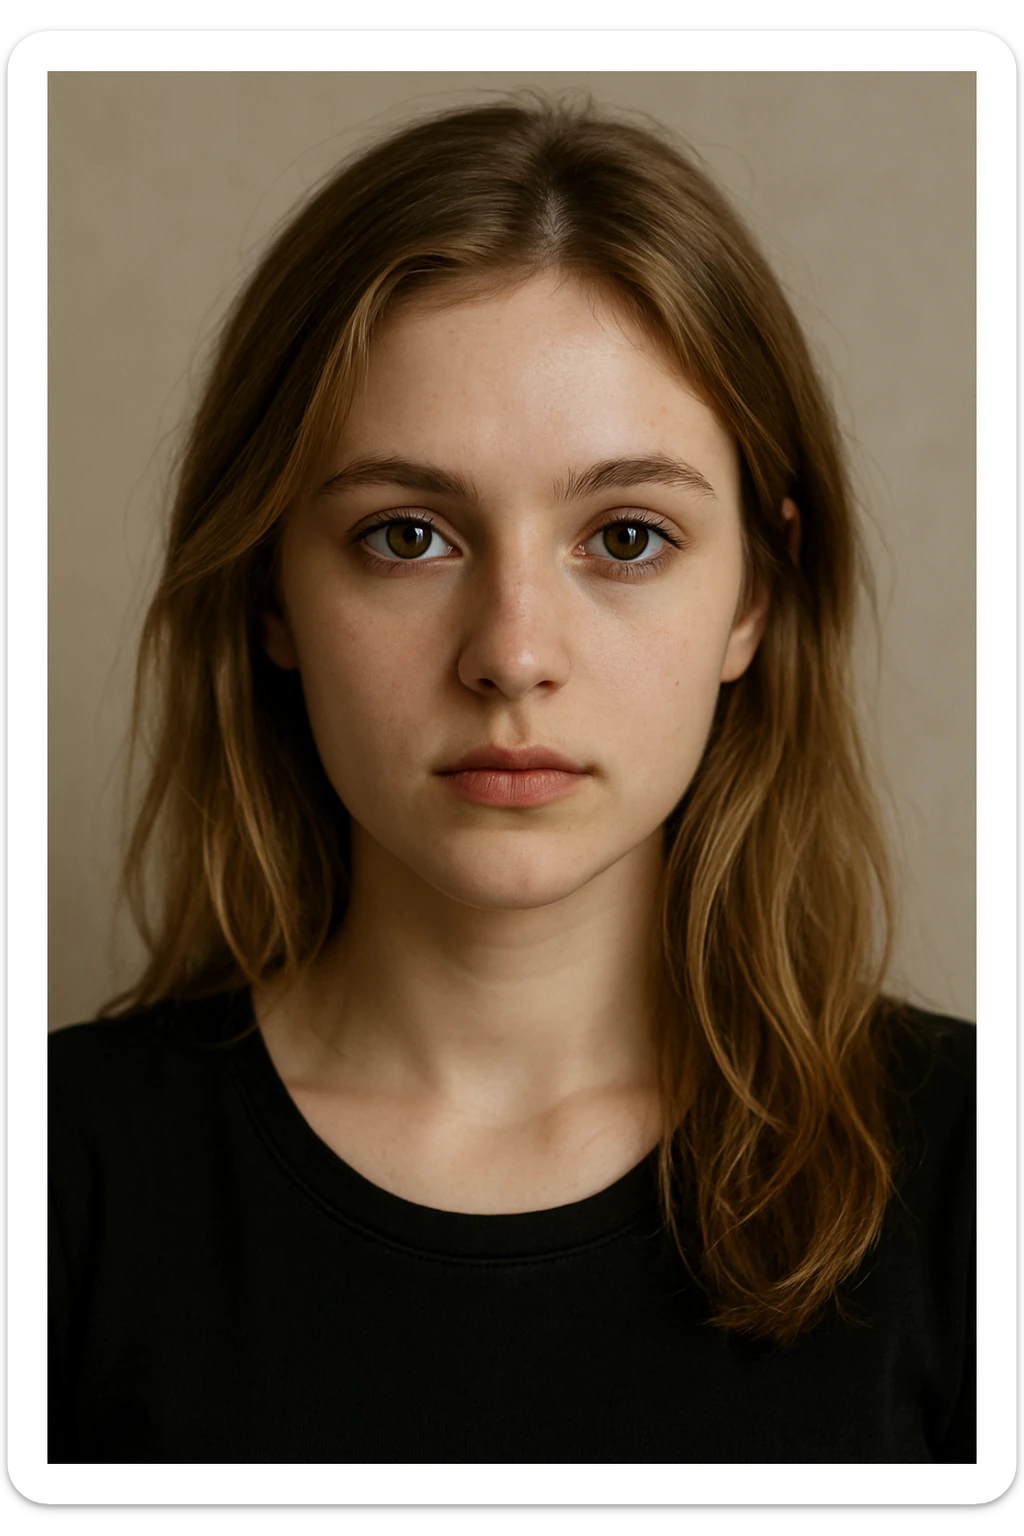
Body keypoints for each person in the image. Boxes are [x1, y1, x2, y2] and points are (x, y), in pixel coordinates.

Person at [48, 93, 975, 1464]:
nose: (512, 654)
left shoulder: (976, 1177)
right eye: (408, 535)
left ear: (756, 597)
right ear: (270, 596)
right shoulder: (57, 1188)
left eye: (629, 536)